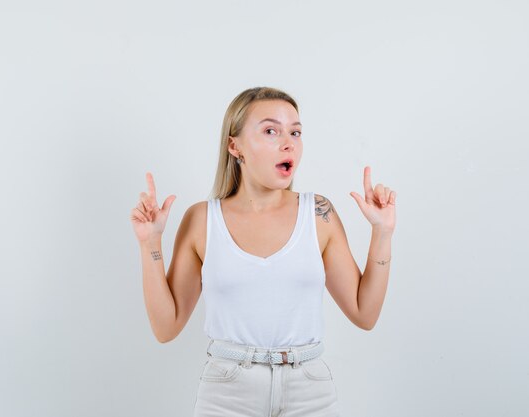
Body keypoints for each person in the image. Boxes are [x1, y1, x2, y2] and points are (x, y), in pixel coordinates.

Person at [130, 86, 396, 417]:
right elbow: (165, 328)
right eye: (271, 130)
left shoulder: (318, 214)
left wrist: (382, 232)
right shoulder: (202, 220)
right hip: (227, 393)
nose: (289, 143)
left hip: (309, 391)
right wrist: (150, 243)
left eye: (295, 132)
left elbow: (364, 313)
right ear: (234, 146)